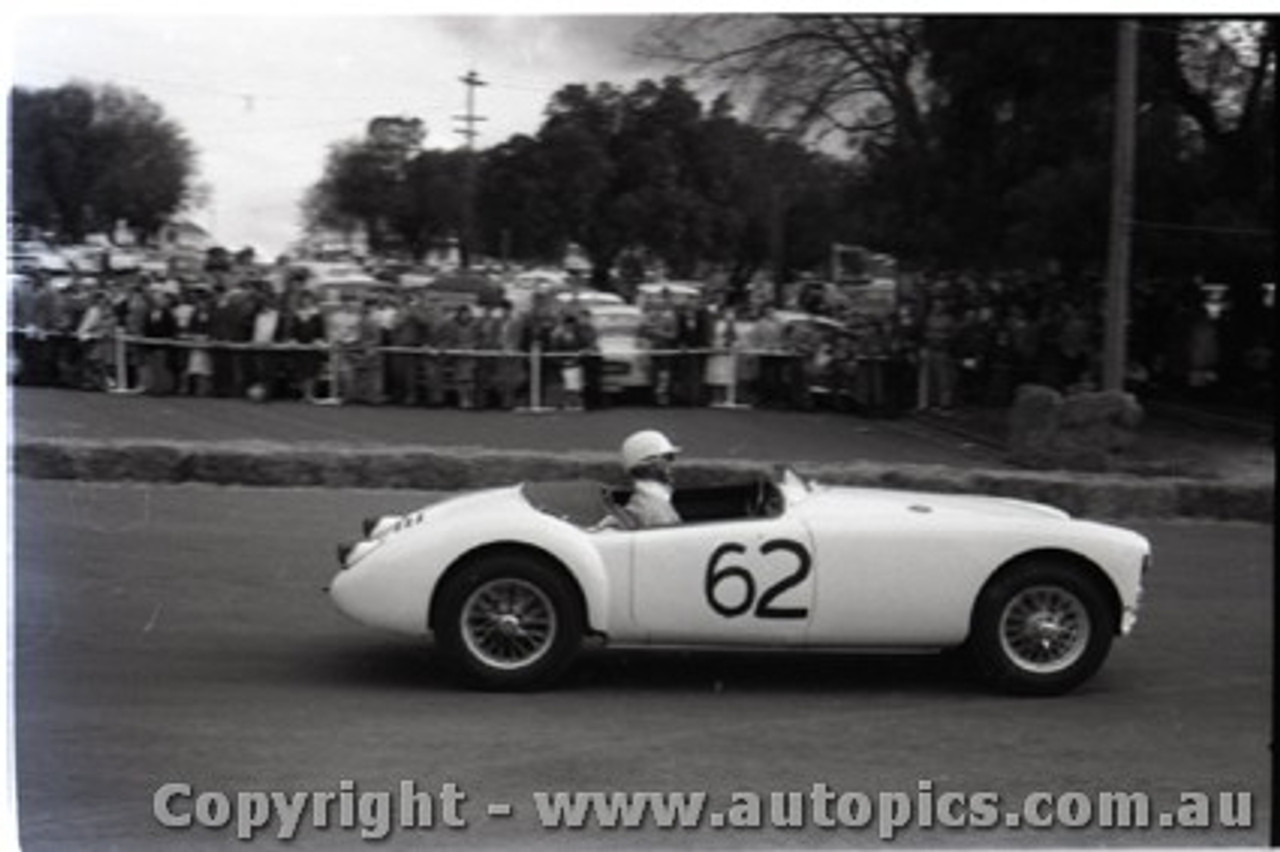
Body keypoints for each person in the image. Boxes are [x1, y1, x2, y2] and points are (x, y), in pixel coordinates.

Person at [618, 429, 682, 528]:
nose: (673, 463)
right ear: (649, 464)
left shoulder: (647, 504)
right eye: (669, 457)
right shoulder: (654, 509)